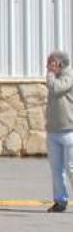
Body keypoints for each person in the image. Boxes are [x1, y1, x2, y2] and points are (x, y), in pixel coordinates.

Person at [46, 50, 73, 213]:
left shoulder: (68, 76)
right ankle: (60, 200)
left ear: (60, 63)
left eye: (51, 62)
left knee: (71, 168)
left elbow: (57, 89)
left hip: (69, 130)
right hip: (53, 131)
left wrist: (50, 74)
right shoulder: (53, 78)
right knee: (56, 169)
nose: (48, 66)